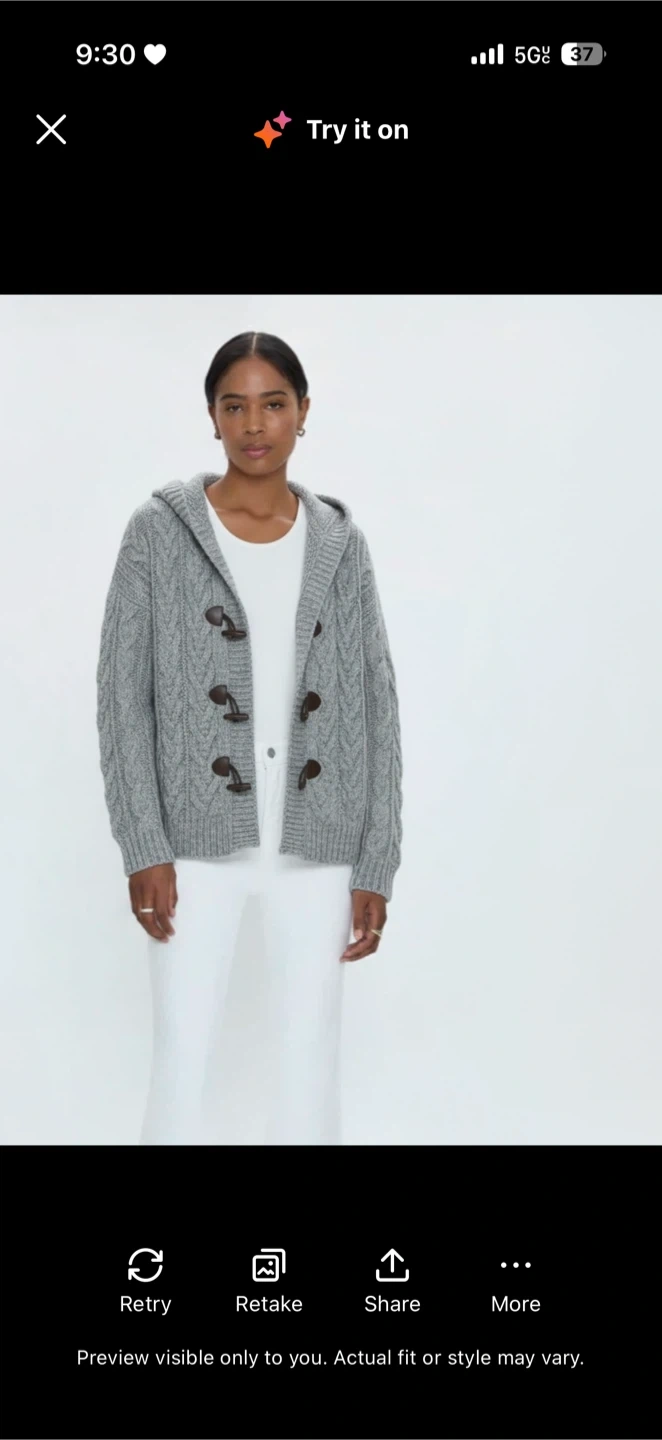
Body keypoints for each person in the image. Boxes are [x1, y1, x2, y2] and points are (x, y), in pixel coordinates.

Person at [96, 331, 403, 1145]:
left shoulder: (340, 543)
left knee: (311, 1064)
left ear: (304, 412)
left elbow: (377, 702)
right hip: (194, 845)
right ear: (212, 417)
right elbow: (121, 698)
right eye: (235, 406)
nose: (255, 424)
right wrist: (143, 844)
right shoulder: (158, 533)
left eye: (274, 404)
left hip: (319, 843)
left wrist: (377, 858)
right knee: (182, 1059)